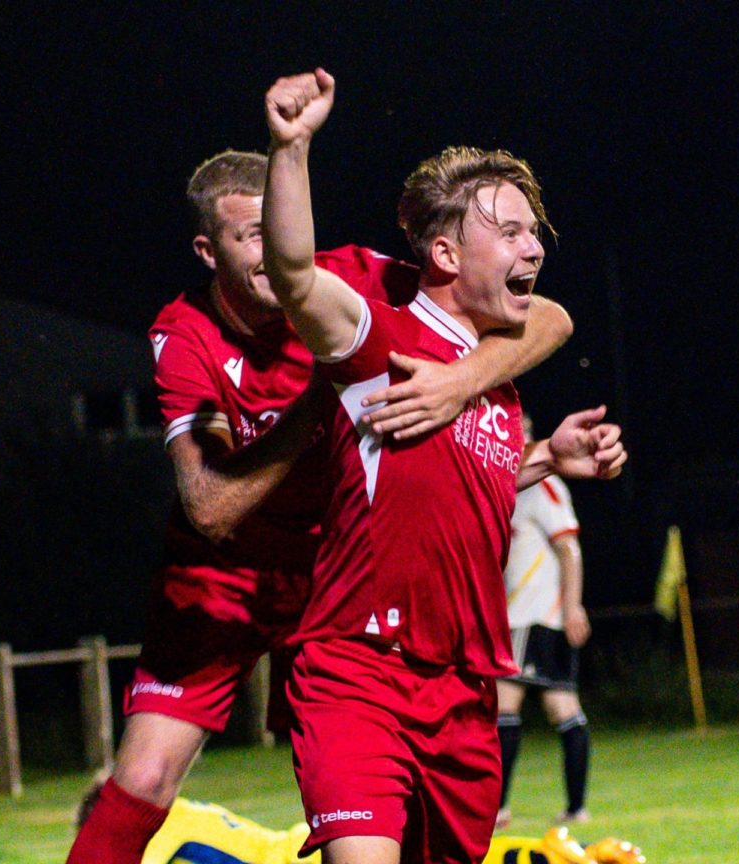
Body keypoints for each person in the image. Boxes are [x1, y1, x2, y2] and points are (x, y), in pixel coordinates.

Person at [65, 150, 574, 864]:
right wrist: (321, 406)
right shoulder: (187, 336)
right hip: (229, 574)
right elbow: (210, 507)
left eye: (272, 229)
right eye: (248, 237)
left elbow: (544, 317)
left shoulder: (356, 275)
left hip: (337, 560)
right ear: (208, 252)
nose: (267, 252)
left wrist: (458, 383)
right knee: (146, 773)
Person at [261, 68, 627, 864]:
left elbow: (451, 485)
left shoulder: (494, 384)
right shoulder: (379, 342)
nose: (535, 247)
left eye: (534, 231)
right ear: (445, 253)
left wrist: (544, 458)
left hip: (465, 693)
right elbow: (293, 275)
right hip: (360, 670)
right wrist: (290, 149)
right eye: (511, 231)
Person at [495, 414, 592, 829]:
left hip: (530, 617)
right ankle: (575, 808)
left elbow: (569, 549)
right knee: (562, 707)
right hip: (528, 617)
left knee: (502, 706)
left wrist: (573, 607)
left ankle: (497, 808)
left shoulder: (543, 487)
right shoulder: (504, 487)